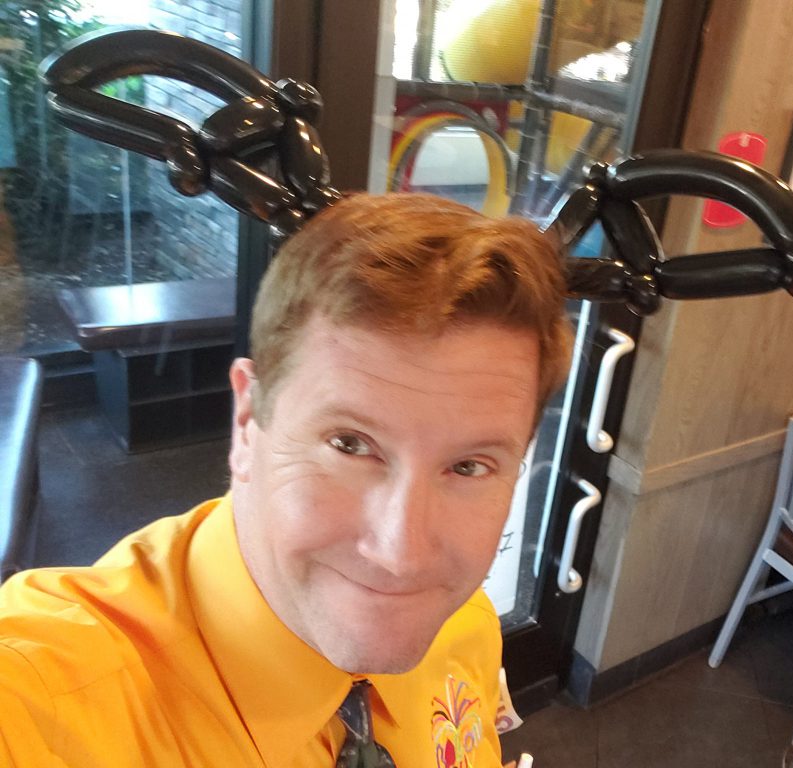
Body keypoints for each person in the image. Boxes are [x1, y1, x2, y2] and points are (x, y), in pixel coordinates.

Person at [0, 193, 573, 766]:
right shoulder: (41, 703)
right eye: (350, 445)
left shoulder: (463, 626)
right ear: (247, 421)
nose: (402, 556)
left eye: (469, 466)